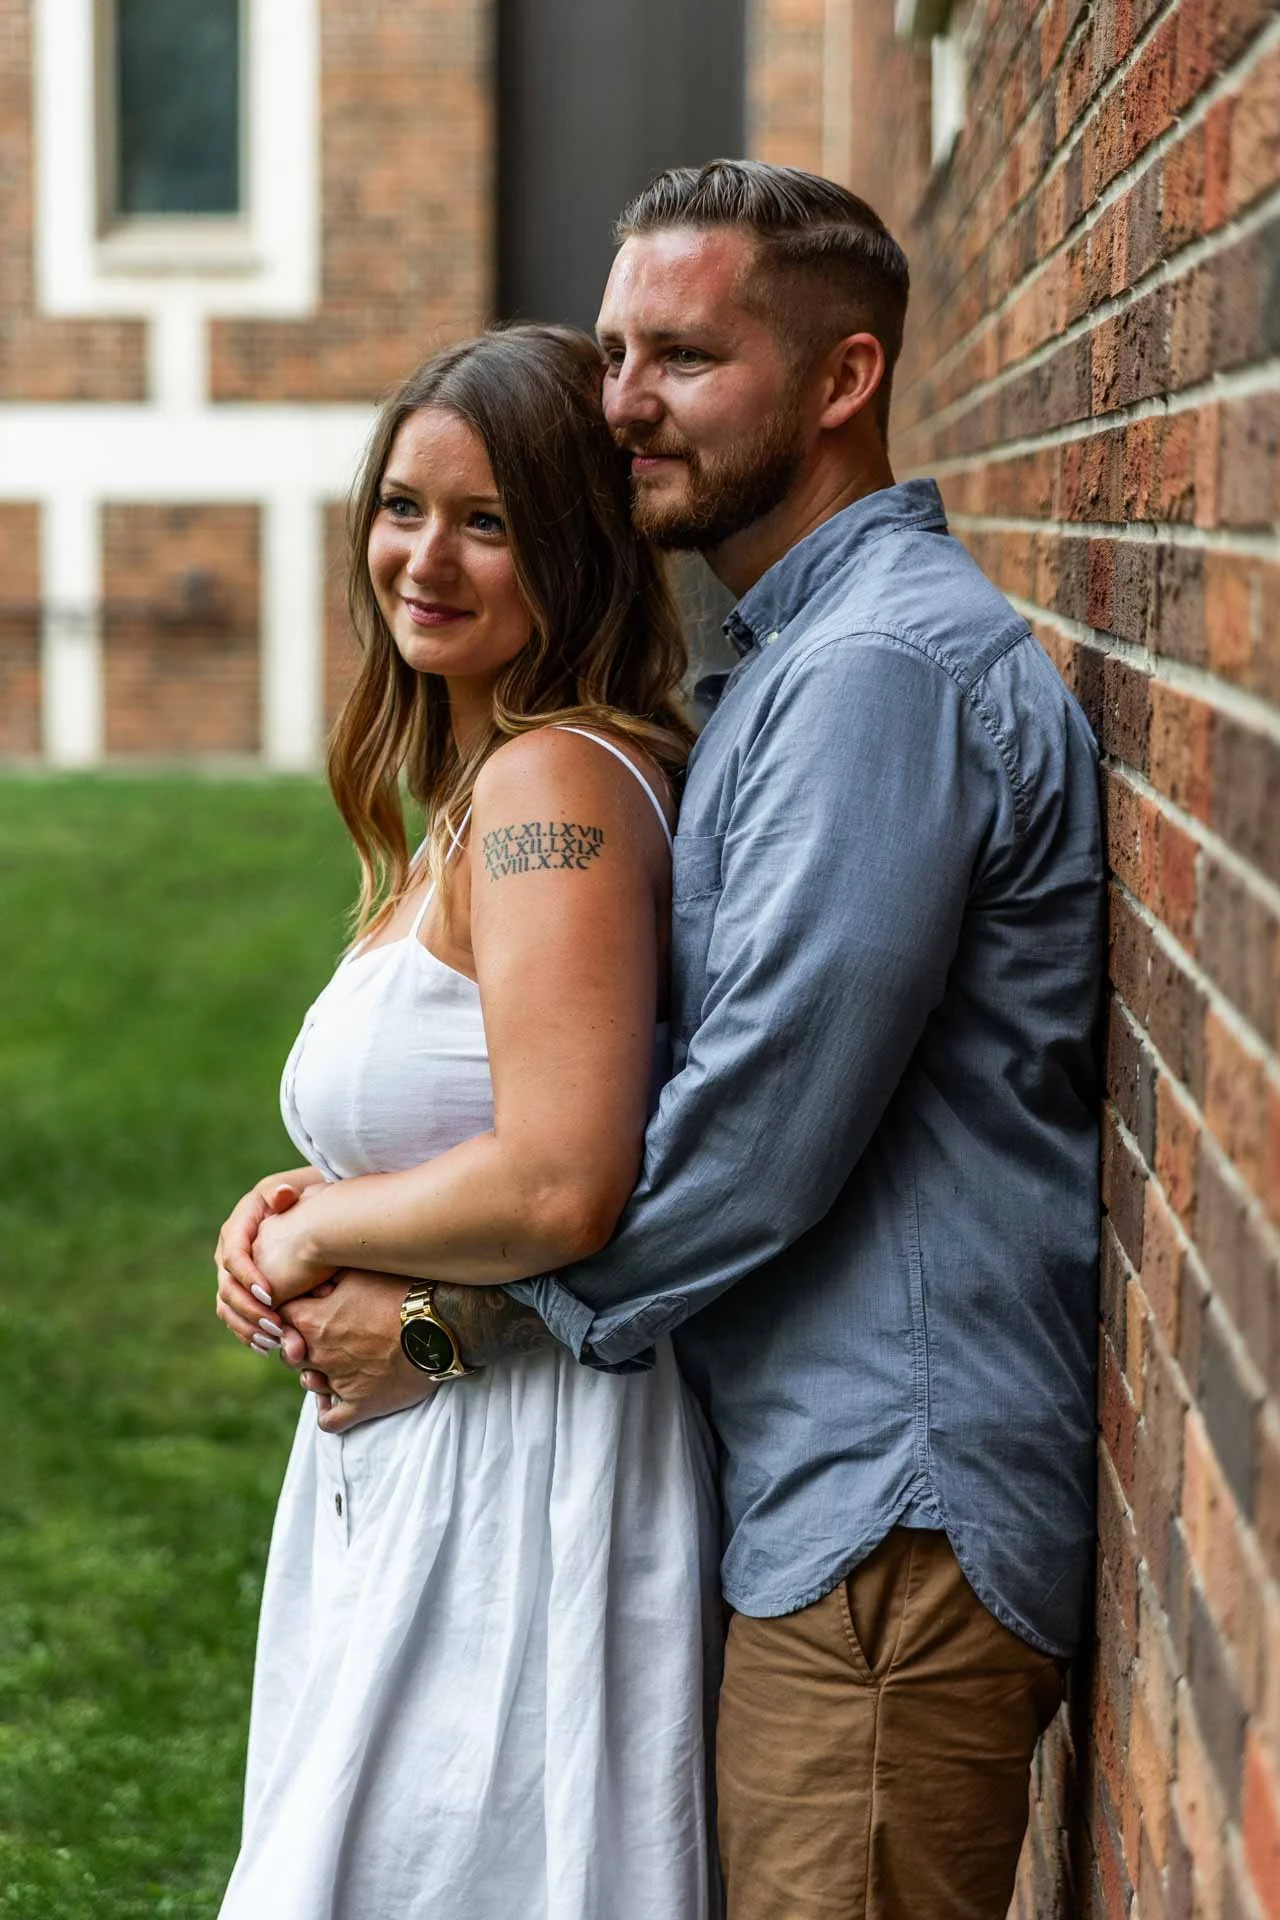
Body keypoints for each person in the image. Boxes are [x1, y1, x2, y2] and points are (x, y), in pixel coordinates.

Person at [225, 160, 1104, 1920]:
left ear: (841, 380)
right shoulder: (790, 663)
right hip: (806, 1481)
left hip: (889, 1500)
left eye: (683, 358)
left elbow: (736, 1142)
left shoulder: (876, 677)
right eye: (616, 353)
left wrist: (438, 1313)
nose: (625, 405)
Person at [213, 324, 720, 1920]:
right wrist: (306, 1195)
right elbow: (473, 1120)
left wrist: (319, 1230)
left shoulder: (552, 790)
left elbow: (566, 1179)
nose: (423, 558)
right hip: (443, 1438)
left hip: (522, 1480)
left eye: (488, 522)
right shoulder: (485, 782)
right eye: (404, 506)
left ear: (571, 549)